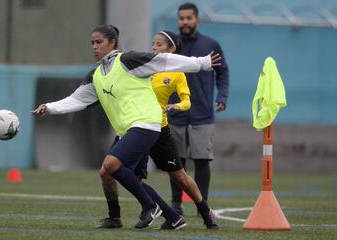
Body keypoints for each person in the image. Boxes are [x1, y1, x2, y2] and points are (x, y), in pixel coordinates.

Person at [31, 24, 221, 229]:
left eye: (99, 42)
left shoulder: (129, 61)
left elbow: (165, 60)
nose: (94, 47)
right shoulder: (96, 75)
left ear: (112, 43)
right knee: (108, 172)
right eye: (92, 43)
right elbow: (75, 100)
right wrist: (49, 107)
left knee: (176, 176)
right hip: (131, 131)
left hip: (149, 125)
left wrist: (202, 62)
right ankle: (127, 217)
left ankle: (200, 211)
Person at [95, 30, 219, 230]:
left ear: (171, 50)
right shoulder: (144, 67)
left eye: (160, 45)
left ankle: (205, 212)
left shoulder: (176, 74)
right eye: (153, 43)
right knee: (127, 177)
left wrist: (175, 106)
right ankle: (163, 214)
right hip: (136, 127)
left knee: (179, 176)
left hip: (159, 129)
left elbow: (187, 101)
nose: (154, 48)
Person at [168, 3, 230, 215]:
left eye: (188, 18)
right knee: (176, 162)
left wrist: (222, 96)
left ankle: (201, 205)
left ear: (197, 20)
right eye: (181, 18)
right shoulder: (172, 45)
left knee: (202, 161)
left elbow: (222, 72)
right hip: (175, 113)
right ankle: (176, 204)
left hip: (202, 114)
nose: (184, 22)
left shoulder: (211, 44)